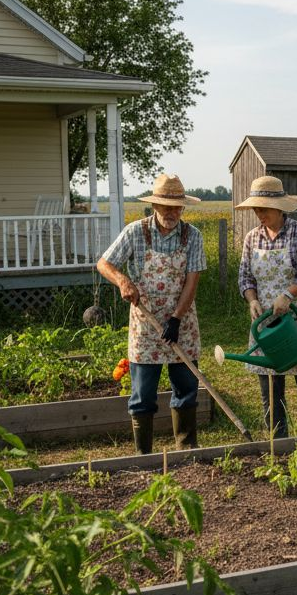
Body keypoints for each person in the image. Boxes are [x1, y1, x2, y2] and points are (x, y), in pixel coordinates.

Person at [96, 173, 206, 453]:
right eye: (166, 206)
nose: (171, 212)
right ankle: (144, 456)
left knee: (185, 389)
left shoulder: (192, 236)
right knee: (143, 395)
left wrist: (177, 318)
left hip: (181, 324)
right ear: (155, 205)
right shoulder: (135, 232)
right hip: (146, 325)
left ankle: (186, 451)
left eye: (177, 207)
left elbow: (192, 281)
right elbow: (104, 264)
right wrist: (123, 281)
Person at [235, 175, 297, 438]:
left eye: (263, 209)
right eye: (256, 209)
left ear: (279, 208)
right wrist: (252, 299)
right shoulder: (252, 238)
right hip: (266, 322)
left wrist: (287, 294)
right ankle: (279, 443)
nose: (258, 214)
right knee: (270, 387)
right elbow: (245, 276)